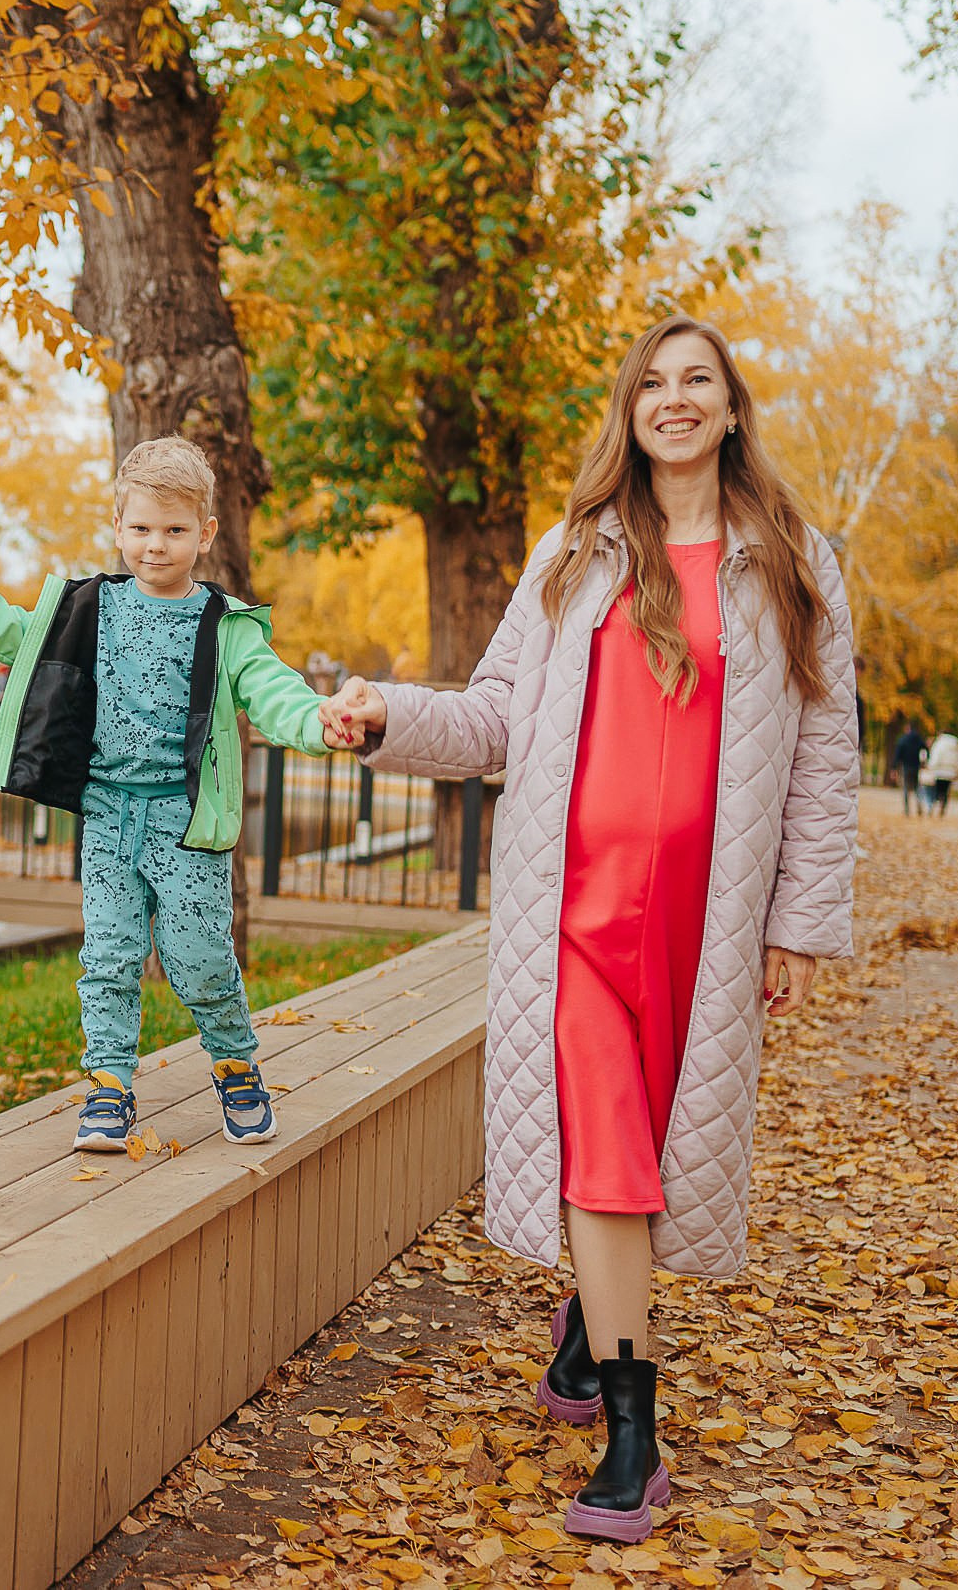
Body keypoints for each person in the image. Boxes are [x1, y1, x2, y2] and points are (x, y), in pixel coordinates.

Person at [322, 315, 857, 1544]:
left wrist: (800, 921)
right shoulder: (573, 555)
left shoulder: (794, 561)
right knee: (609, 1147)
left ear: (731, 411)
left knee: (659, 1140)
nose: (673, 401)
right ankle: (634, 1437)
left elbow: (826, 757)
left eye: (697, 383)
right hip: (570, 911)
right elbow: (500, 712)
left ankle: (588, 1315)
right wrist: (386, 717)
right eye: (652, 384)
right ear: (629, 411)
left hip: (705, 922)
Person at [0, 439, 360, 1154]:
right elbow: (16, 634)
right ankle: (108, 1086)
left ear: (205, 534)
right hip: (109, 812)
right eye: (139, 529)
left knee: (197, 955)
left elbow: (275, 693)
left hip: (186, 818)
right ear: (116, 528)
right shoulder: (90, 608)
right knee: (108, 954)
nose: (155, 546)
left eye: (173, 530)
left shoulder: (225, 627)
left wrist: (320, 721)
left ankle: (235, 1063)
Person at [891, 721, 928, 817]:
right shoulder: (919, 739)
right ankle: (919, 807)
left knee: (906, 789)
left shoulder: (903, 739)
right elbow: (925, 749)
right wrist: (924, 761)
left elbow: (897, 754)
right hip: (916, 766)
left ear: (907, 728)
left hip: (906, 766)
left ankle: (907, 810)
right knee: (916, 788)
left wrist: (894, 768)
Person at [925, 727, 958, 815]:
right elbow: (957, 758)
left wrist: (930, 766)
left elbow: (936, 756)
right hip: (950, 771)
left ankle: (932, 805)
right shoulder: (955, 744)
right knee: (945, 791)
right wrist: (957, 770)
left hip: (939, 770)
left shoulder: (939, 743)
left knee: (936, 790)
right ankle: (943, 805)